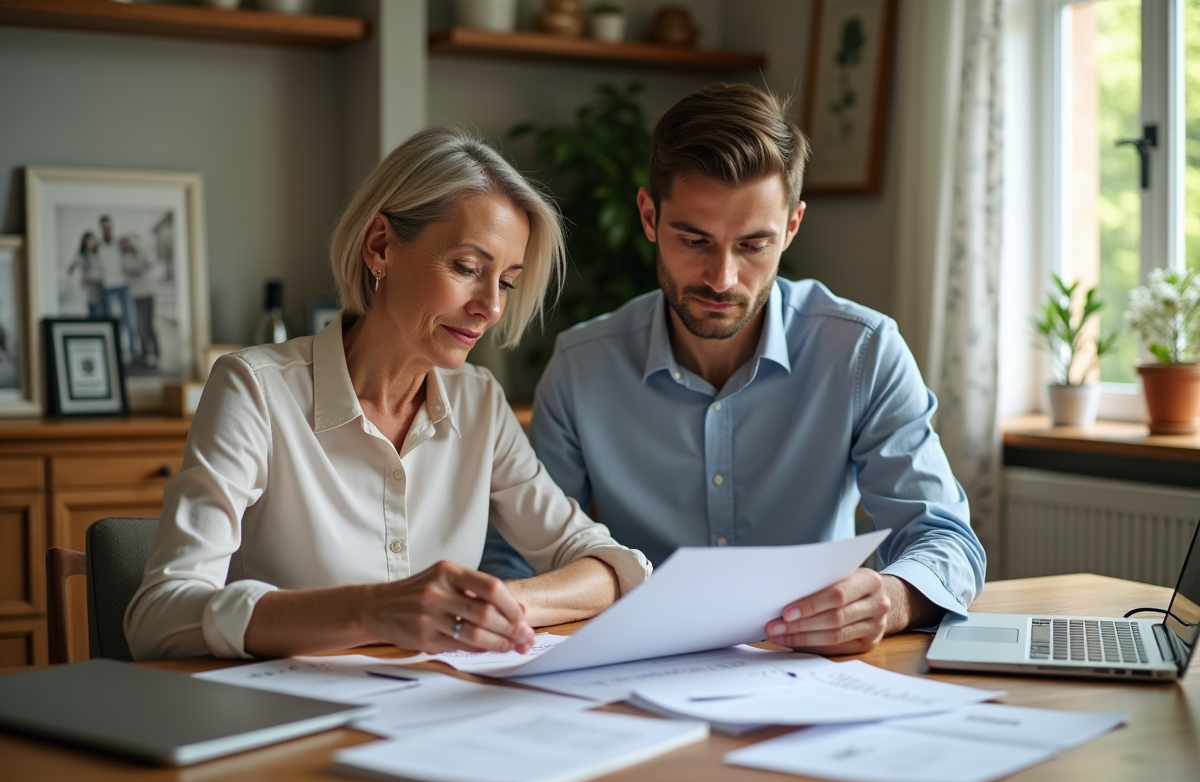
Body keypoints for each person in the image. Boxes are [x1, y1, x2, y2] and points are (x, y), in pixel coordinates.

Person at [481, 83, 986, 655]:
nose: (722, 278)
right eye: (694, 239)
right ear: (649, 215)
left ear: (792, 227)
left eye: (753, 245)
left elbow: (945, 539)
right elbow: (516, 560)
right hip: (637, 674)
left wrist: (892, 598)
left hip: (811, 675)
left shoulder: (863, 353)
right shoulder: (581, 369)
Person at [125, 126, 651, 661]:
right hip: (287, 721)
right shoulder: (255, 390)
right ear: (380, 247)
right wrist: (375, 610)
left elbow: (607, 565)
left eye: (507, 281)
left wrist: (488, 606)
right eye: (468, 269)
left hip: (427, 715)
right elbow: (160, 616)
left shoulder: (480, 402)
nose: (491, 307)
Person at [95, 215, 140, 363]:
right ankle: (112, 352)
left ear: (112, 227)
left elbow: (134, 252)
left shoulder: (120, 243)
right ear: (101, 227)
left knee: (129, 319)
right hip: (107, 287)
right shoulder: (98, 246)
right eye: (105, 227)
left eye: (110, 226)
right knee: (110, 321)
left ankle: (132, 352)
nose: (108, 229)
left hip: (123, 285)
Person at [120, 234, 160, 369]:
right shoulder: (125, 256)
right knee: (140, 325)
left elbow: (149, 263)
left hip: (149, 292)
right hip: (136, 294)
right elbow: (130, 271)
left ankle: (156, 354)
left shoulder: (143, 249)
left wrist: (139, 268)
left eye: (127, 242)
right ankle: (144, 354)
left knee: (149, 324)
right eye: (123, 244)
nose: (126, 245)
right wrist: (139, 267)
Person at [66, 230, 105, 317]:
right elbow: (71, 269)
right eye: (87, 241)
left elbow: (104, 270)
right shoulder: (80, 255)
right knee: (92, 311)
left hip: (100, 287)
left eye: (91, 241)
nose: (90, 243)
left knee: (102, 312)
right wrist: (80, 279)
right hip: (88, 290)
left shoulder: (99, 253)